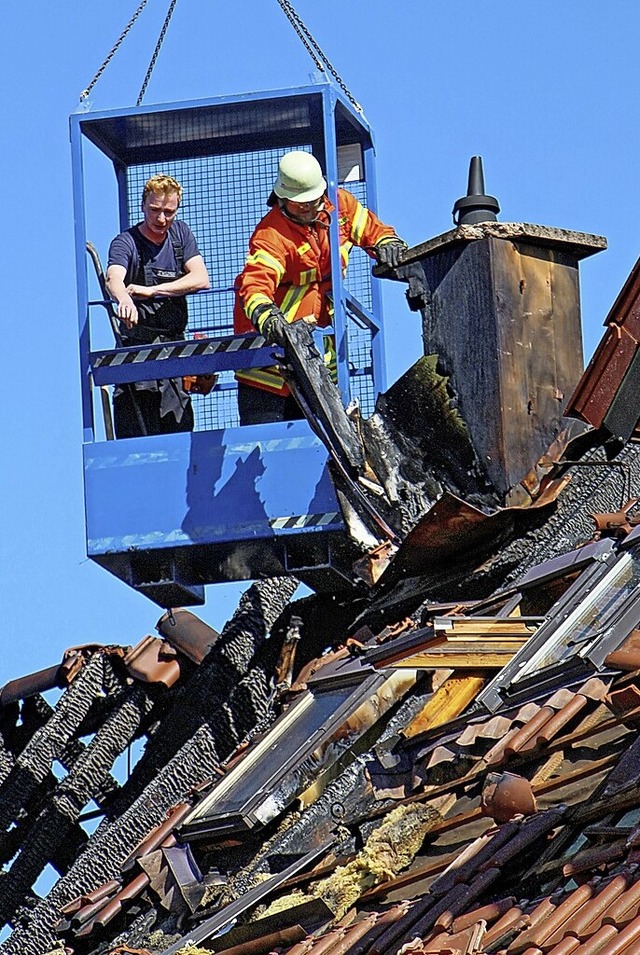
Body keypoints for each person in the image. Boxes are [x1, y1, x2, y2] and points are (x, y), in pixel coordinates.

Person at [233, 151, 407, 426]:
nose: (312, 208)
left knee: (329, 451)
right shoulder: (271, 234)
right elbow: (255, 285)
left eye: (315, 201)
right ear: (284, 199)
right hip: (267, 366)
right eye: (303, 205)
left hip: (318, 357)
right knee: (270, 452)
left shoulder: (339, 205)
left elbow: (374, 230)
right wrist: (267, 316)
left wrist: (389, 244)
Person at [106, 174, 210, 438]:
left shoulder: (180, 234)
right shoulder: (126, 242)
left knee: (180, 437)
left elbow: (201, 278)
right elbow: (113, 278)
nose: (161, 219)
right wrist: (125, 299)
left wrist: (152, 291)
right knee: (137, 440)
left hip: (174, 355)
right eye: (155, 210)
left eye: (169, 212)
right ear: (143, 206)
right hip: (138, 356)